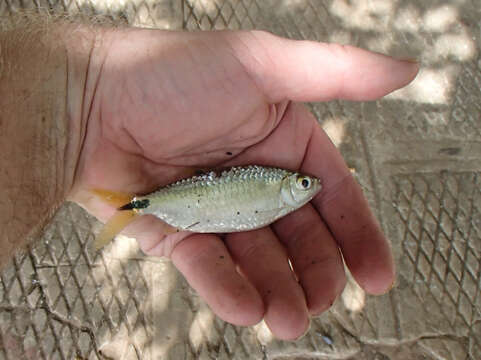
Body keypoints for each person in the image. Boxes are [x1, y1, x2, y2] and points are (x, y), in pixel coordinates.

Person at [0, 13, 418, 340]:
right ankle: (127, 201)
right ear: (290, 186)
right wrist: (78, 97)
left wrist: (75, 99)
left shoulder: (277, 185)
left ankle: (122, 194)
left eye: (306, 184)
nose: (310, 185)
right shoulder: (280, 185)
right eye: (305, 184)